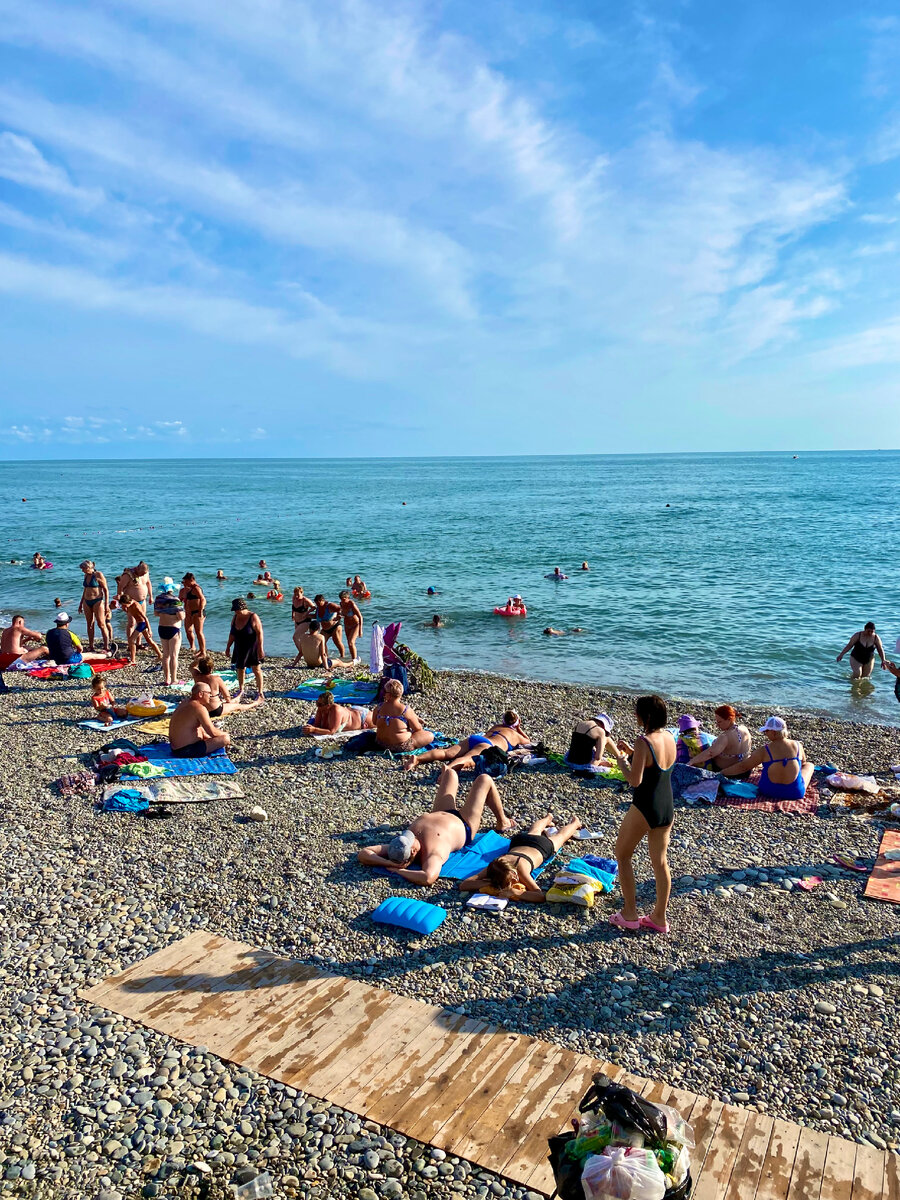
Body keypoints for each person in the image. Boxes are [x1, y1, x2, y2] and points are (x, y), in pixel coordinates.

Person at [357, 766, 512, 885]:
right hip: (464, 823)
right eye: (410, 838)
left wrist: (387, 863)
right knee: (484, 779)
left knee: (450, 773)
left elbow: (364, 853)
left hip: (441, 812)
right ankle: (503, 821)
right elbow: (428, 877)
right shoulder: (432, 853)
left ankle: (450, 770)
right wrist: (400, 871)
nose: (409, 835)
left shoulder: (397, 847)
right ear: (413, 850)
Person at [609, 695, 676, 935]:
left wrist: (621, 760)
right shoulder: (669, 737)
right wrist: (634, 754)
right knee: (660, 862)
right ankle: (659, 917)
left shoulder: (643, 741)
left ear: (645, 716)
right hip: (667, 807)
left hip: (645, 806)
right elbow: (655, 764)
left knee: (623, 855)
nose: (635, 716)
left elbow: (634, 781)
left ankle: (629, 914)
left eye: (637, 712)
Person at [458, 815, 583, 900]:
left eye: (512, 879)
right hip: (519, 842)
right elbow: (463, 885)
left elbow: (540, 895)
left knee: (560, 837)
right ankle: (548, 818)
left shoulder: (520, 869)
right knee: (534, 830)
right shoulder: (497, 865)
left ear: (513, 872)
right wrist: (493, 883)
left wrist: (517, 892)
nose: (514, 881)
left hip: (541, 847)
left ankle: (575, 823)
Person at [400, 709, 529, 771]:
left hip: (476, 738)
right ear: (516, 723)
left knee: (447, 752)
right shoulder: (515, 734)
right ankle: (448, 769)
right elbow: (527, 741)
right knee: (467, 759)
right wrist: (519, 728)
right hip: (488, 745)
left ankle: (417, 759)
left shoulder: (496, 726)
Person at [726, 716, 814, 799]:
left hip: (768, 791)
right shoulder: (798, 745)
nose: (765, 734)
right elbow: (803, 763)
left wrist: (722, 773)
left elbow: (743, 767)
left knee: (764, 764)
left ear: (774, 732)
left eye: (766, 731)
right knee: (809, 765)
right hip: (794, 793)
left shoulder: (765, 750)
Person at [168, 683, 232, 758]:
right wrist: (226, 734)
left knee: (200, 728)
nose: (210, 696)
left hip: (174, 748)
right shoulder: (199, 708)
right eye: (209, 693)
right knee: (225, 739)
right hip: (185, 750)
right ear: (201, 694)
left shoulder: (185, 702)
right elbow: (212, 732)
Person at [373, 678, 434, 754]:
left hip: (380, 744)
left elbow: (374, 722)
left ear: (388, 694)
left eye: (384, 692)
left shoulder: (378, 708)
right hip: (401, 746)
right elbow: (418, 728)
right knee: (430, 735)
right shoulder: (405, 710)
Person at [688, 705, 752, 773]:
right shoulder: (744, 729)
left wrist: (692, 761)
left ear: (729, 719)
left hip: (728, 772)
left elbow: (710, 753)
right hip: (745, 770)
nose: (717, 725)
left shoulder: (725, 736)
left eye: (719, 722)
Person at [189, 655, 260, 715]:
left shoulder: (196, 675)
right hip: (214, 710)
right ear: (211, 668)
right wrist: (231, 701)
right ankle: (255, 703)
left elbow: (191, 666)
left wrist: (199, 660)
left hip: (201, 709)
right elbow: (227, 698)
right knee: (236, 706)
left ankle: (238, 697)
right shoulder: (216, 679)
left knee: (227, 701)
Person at [226, 598, 265, 700]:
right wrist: (228, 647)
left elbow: (260, 633)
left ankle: (260, 692)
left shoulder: (253, 617)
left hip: (252, 647)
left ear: (243, 608)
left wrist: (260, 648)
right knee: (240, 668)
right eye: (234, 610)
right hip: (239, 646)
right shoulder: (235, 618)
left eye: (237, 609)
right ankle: (241, 689)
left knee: (256, 669)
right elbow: (232, 634)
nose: (235, 612)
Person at [45, 613, 115, 665]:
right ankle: (108, 654)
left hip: (55, 659)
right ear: (67, 624)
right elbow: (80, 649)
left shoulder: (49, 633)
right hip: (68, 660)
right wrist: (77, 653)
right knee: (89, 655)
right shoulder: (70, 634)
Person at [117, 593, 162, 666]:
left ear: (128, 602)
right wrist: (125, 609)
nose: (123, 606)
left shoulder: (136, 606)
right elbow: (131, 612)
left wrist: (149, 629)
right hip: (139, 624)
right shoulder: (129, 605)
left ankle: (133, 660)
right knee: (149, 640)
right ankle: (160, 655)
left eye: (124, 605)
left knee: (131, 640)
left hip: (142, 623)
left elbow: (145, 618)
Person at [301, 691, 374, 735]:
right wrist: (309, 728)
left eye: (320, 704)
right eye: (317, 703)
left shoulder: (336, 711)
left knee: (380, 720)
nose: (317, 706)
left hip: (362, 718)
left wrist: (314, 730)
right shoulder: (321, 709)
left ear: (328, 705)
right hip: (351, 711)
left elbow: (331, 731)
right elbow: (316, 724)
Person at [154, 580, 184, 685]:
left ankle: (166, 679)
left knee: (166, 655)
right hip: (173, 628)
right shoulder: (176, 600)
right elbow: (180, 616)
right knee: (174, 655)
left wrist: (165, 612)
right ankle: (174, 679)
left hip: (162, 627)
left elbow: (156, 613)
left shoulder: (158, 599)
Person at [78, 560, 112, 652]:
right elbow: (85, 590)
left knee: (101, 624)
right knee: (89, 624)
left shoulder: (98, 575)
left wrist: (106, 604)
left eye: (83, 569)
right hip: (86, 601)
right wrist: (81, 603)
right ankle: (91, 645)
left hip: (97, 601)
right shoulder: (86, 576)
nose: (82, 571)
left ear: (89, 568)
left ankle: (106, 646)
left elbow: (105, 589)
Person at [117, 561, 153, 643]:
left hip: (142, 601)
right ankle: (130, 642)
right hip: (131, 602)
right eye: (141, 573)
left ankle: (138, 642)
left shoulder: (146, 573)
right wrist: (122, 602)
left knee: (141, 621)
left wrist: (151, 596)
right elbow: (120, 587)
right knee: (131, 623)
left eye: (144, 573)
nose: (143, 575)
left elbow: (148, 583)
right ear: (137, 568)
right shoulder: (128, 575)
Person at [180, 573, 207, 657]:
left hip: (197, 612)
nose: (185, 583)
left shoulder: (196, 588)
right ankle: (196, 648)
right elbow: (181, 600)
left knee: (199, 632)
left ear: (190, 580)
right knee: (188, 630)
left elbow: (203, 599)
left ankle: (203, 652)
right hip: (189, 613)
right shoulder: (188, 589)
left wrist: (200, 611)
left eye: (185, 581)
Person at [289, 587, 316, 666]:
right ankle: (307, 653)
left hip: (305, 621)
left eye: (298, 594)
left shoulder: (305, 600)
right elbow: (293, 608)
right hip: (297, 622)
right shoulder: (294, 598)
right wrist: (292, 615)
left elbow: (314, 607)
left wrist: (308, 613)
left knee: (295, 637)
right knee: (301, 638)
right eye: (295, 594)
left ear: (302, 593)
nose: (296, 596)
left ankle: (301, 653)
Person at [339, 590, 363, 662]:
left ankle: (355, 660)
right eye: (341, 599)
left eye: (344, 599)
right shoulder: (341, 604)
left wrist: (360, 630)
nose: (342, 601)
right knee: (349, 643)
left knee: (351, 642)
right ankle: (353, 659)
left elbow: (360, 616)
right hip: (347, 625)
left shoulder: (351, 604)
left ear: (348, 597)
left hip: (355, 625)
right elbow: (343, 614)